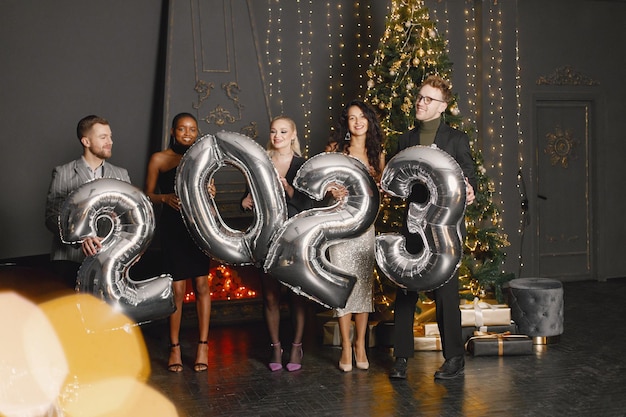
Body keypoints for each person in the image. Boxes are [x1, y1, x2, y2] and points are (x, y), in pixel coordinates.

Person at [388, 75, 476, 380]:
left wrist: (470, 188)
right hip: (414, 226)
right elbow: (394, 180)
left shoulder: (456, 139)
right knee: (405, 291)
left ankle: (454, 358)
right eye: (420, 97)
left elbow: (469, 177)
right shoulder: (404, 140)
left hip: (445, 231)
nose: (421, 103)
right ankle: (400, 358)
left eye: (428, 99)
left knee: (446, 294)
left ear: (443, 106)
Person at [241, 116, 313, 372]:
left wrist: (290, 190)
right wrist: (245, 200)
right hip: (267, 238)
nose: (277, 136)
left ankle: (296, 346)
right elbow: (248, 196)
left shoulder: (303, 166)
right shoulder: (261, 163)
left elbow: (309, 206)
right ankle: (275, 346)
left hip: (294, 239)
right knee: (270, 296)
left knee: (296, 296)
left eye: (283, 131)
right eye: (273, 131)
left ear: (293, 135)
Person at [144, 112, 213, 373]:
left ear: (197, 133)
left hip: (198, 227)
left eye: (192, 129)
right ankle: (174, 347)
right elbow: (147, 194)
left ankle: (203, 345)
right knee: (177, 290)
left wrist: (210, 192)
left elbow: (207, 189)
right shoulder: (159, 159)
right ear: (173, 131)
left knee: (202, 285)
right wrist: (165, 199)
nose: (187, 133)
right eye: (182, 129)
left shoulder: (201, 158)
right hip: (173, 229)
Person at [327, 100, 385, 372]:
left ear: (369, 121)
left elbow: (383, 191)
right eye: (352, 118)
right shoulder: (335, 151)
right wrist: (332, 190)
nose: (358, 121)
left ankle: (361, 344)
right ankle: (346, 347)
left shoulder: (377, 154)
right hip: (340, 227)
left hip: (364, 228)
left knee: (363, 287)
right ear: (346, 124)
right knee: (343, 286)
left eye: (362, 116)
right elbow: (321, 184)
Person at [45, 115, 131, 288]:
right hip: (69, 260)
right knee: (68, 314)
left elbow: (128, 218)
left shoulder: (121, 174)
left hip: (109, 262)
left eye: (110, 136)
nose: (110, 141)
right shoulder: (63, 173)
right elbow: (52, 217)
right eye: (103, 137)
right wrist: (80, 238)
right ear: (86, 141)